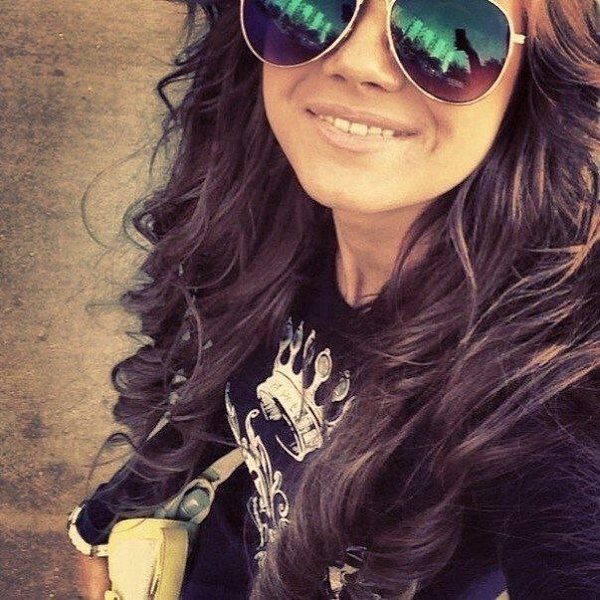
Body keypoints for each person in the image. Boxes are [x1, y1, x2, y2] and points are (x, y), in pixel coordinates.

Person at [67, 0, 600, 598]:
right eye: (314, 6)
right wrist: (107, 516)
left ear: (541, 80)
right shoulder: (281, 224)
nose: (356, 62)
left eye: (444, 30)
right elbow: (223, 399)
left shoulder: (552, 384)